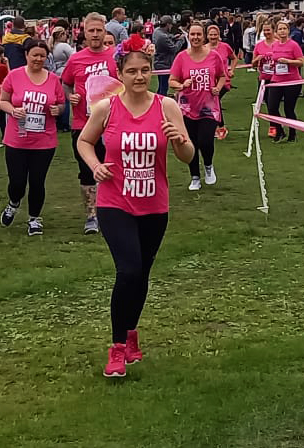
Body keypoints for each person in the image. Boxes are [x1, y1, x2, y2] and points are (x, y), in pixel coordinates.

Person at [76, 33, 193, 378]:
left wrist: (180, 141)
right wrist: (95, 165)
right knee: (128, 270)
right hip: (115, 203)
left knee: (141, 273)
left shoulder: (167, 106)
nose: (139, 77)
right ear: (120, 74)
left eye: (145, 70)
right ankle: (116, 348)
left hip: (155, 205)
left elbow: (188, 156)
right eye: (132, 71)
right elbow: (84, 141)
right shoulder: (107, 108)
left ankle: (131, 334)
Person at [0, 39, 66, 235]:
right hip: (17, 139)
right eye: (34, 55)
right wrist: (13, 110)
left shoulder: (53, 79)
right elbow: (3, 101)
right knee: (17, 182)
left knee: (37, 181)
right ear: (26, 55)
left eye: (42, 56)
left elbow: (61, 104)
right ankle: (13, 203)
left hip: (44, 141)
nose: (38, 59)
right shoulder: (14, 76)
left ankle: (34, 219)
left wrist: (57, 110)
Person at [62, 12, 118, 235]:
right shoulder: (76, 59)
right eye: (91, 31)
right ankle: (92, 215)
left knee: (112, 168)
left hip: (112, 123)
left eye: (98, 30)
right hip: (83, 124)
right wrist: (71, 96)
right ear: (83, 33)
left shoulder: (115, 56)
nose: (95, 34)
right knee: (87, 171)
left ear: (105, 32)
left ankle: (112, 211)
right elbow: (66, 83)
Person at [169, 22, 226, 190]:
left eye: (198, 34)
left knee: (205, 141)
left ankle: (208, 165)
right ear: (188, 36)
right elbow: (172, 81)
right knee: (190, 143)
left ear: (204, 36)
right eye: (192, 34)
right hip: (187, 108)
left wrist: (218, 88)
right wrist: (182, 85)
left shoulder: (213, 56)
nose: (195, 37)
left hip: (209, 107)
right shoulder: (181, 57)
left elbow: (222, 75)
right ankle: (195, 176)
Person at [263, 21, 304, 142]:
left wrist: (288, 61)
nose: (282, 31)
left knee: (288, 109)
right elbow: (275, 60)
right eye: (280, 29)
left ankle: (292, 134)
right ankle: (279, 131)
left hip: (292, 81)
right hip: (276, 79)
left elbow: (301, 62)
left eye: (284, 29)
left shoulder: (294, 45)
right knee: (272, 107)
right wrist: (272, 65)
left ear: (288, 31)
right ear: (276, 32)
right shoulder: (274, 45)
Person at [206, 23, 236, 139]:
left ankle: (221, 127)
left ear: (218, 35)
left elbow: (234, 58)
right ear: (207, 36)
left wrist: (231, 70)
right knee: (212, 103)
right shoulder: (204, 48)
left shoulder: (225, 47)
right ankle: (216, 127)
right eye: (211, 35)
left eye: (215, 34)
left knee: (215, 101)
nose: (213, 37)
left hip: (224, 80)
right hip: (210, 81)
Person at [49, 26, 75, 131]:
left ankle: (58, 122)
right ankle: (65, 124)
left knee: (57, 99)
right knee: (65, 99)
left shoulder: (51, 46)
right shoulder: (64, 46)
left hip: (55, 73)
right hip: (64, 73)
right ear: (61, 35)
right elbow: (74, 57)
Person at [152, 16, 183, 97]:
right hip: (164, 63)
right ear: (168, 24)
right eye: (171, 25)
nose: (171, 26)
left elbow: (167, 36)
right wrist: (181, 40)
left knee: (161, 85)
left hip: (158, 62)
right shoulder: (163, 37)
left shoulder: (156, 31)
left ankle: (158, 99)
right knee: (164, 87)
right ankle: (161, 101)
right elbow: (174, 49)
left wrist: (174, 37)